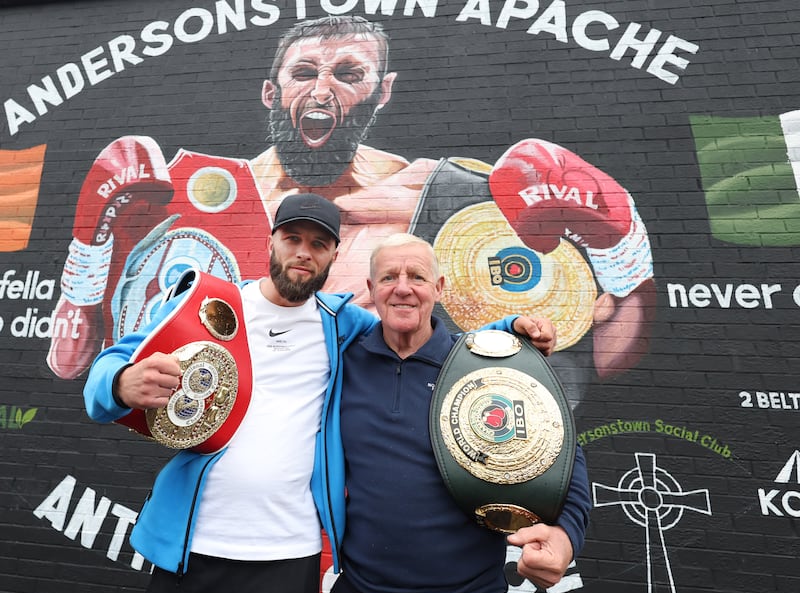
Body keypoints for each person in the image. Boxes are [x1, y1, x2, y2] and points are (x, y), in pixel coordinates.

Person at [49, 16, 654, 390]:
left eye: (347, 73)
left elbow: (603, 356)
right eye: (304, 71)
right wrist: (89, 247)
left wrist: (624, 245)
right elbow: (73, 362)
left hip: (375, 433)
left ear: (381, 91)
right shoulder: (183, 188)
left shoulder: (446, 193)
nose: (322, 88)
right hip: (238, 431)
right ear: (271, 90)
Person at [82, 194, 557, 593]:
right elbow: (103, 376)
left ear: (333, 255)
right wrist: (122, 384)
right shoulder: (207, 304)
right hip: (192, 542)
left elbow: (421, 331)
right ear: (271, 242)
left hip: (291, 551)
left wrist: (508, 332)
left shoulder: (343, 325)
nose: (303, 253)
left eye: (318, 244)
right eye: (293, 239)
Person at [331, 233, 591, 593]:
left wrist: (565, 534)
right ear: (372, 289)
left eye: (417, 277)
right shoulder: (341, 363)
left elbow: (562, 452)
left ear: (438, 288)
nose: (402, 288)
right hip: (360, 588)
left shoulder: (480, 366)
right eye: (389, 277)